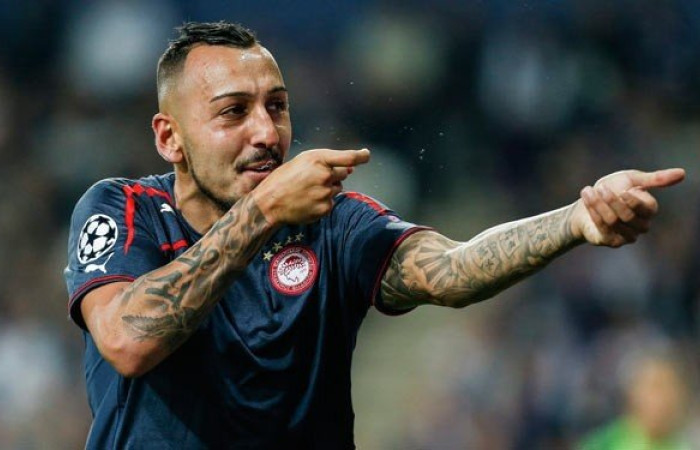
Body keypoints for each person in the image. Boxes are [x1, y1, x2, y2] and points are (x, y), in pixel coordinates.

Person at [63, 21, 685, 449]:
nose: (266, 133)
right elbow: (128, 340)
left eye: (277, 106)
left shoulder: (332, 221)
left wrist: (575, 221)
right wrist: (261, 213)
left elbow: (452, 270)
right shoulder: (123, 209)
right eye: (233, 112)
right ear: (169, 137)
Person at [579, 352, 693, 450]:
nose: (664, 398)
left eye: (672, 387)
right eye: (655, 387)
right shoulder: (604, 443)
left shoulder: (684, 446)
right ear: (632, 393)